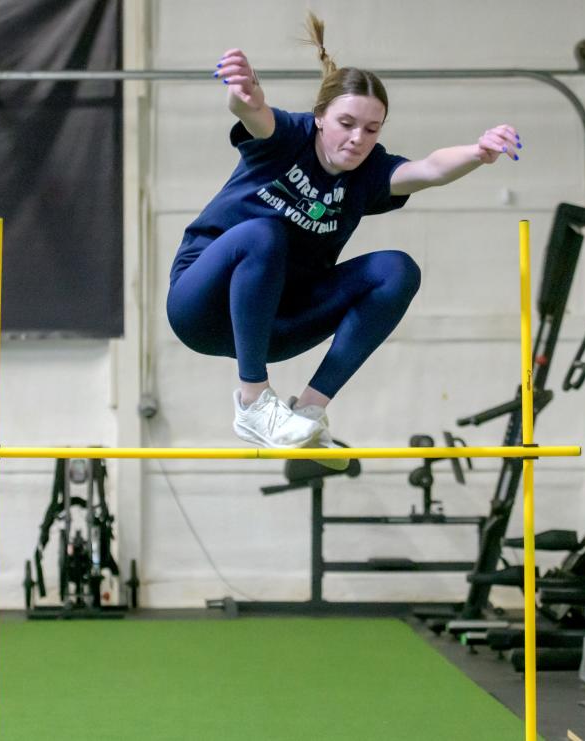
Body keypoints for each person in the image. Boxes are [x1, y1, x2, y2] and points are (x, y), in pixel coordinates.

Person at [166, 13, 520, 465]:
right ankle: (254, 402)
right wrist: (246, 96)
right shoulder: (288, 136)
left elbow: (429, 169)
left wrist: (478, 152)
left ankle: (309, 413)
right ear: (319, 118)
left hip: (278, 322)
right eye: (346, 123)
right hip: (201, 307)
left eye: (371, 130)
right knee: (264, 233)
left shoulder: (370, 173)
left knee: (396, 269)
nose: (357, 139)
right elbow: (254, 115)